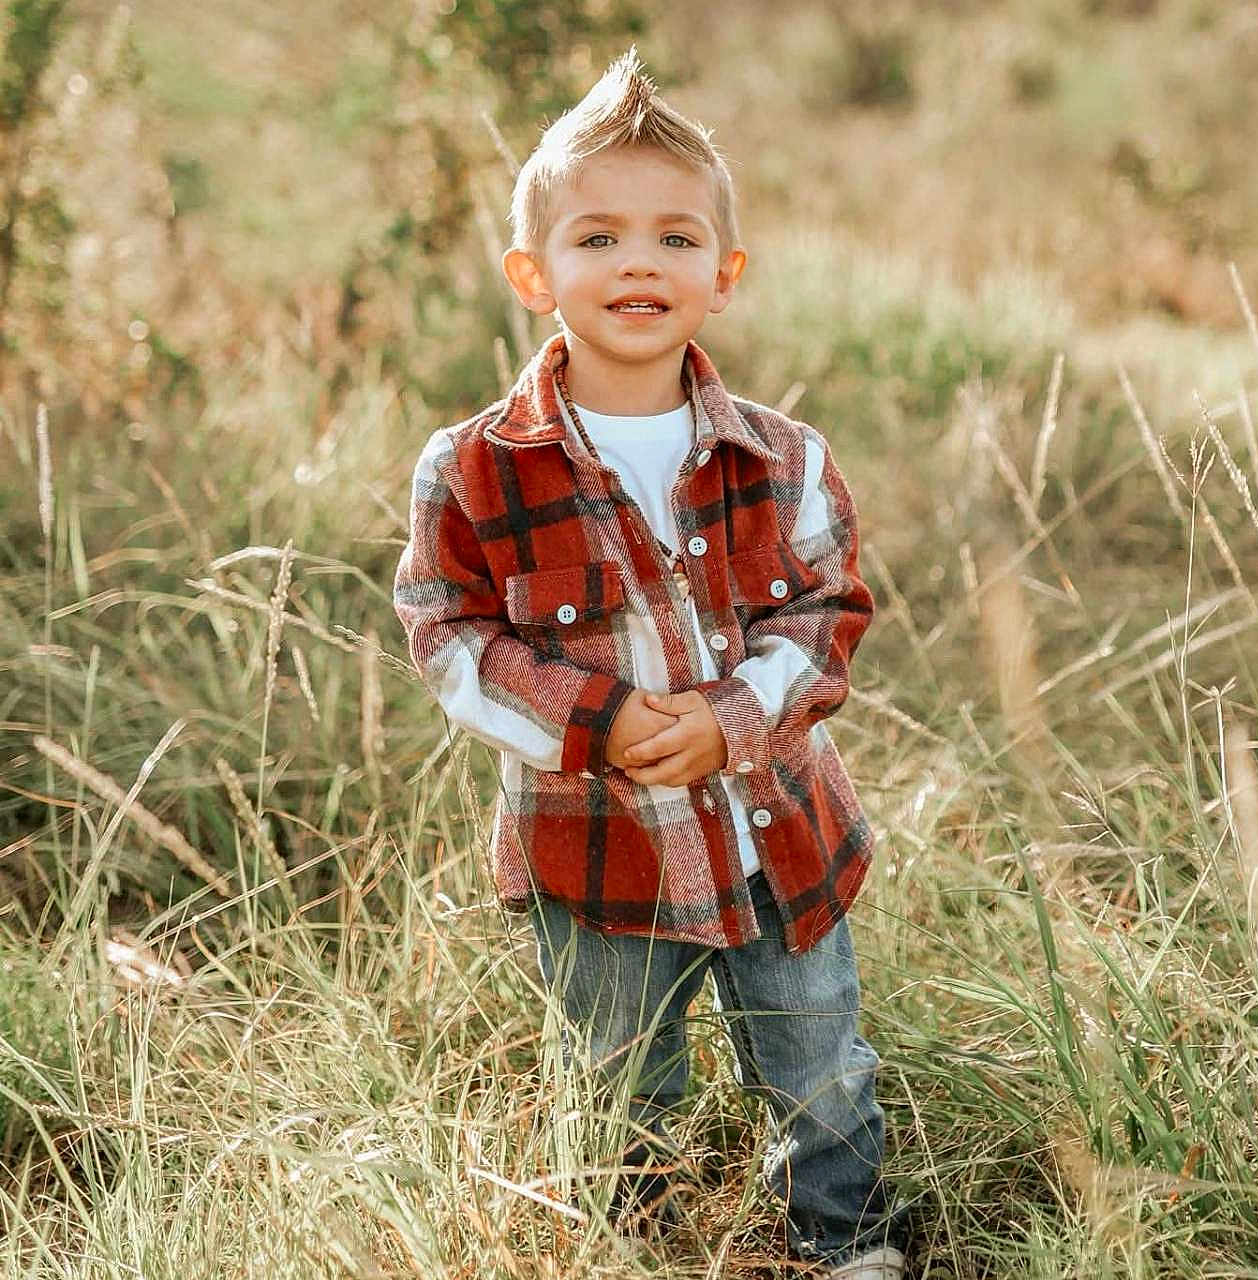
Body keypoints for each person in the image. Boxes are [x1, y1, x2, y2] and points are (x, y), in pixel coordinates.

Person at [393, 47, 913, 1279]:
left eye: (675, 238)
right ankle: (628, 1242)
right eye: (598, 238)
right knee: (617, 1071)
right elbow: (447, 633)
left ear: (722, 275)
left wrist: (733, 713)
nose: (639, 263)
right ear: (533, 273)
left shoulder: (782, 457)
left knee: (818, 1057)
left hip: (776, 830)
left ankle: (843, 1240)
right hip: (597, 844)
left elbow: (827, 611)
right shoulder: (472, 469)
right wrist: (599, 720)